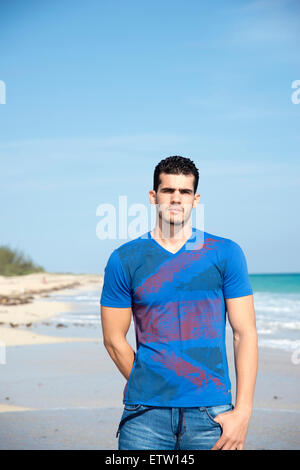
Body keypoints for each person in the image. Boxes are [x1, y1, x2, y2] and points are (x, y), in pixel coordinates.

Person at [100, 155, 258, 450]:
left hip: (212, 415)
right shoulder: (124, 258)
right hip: (144, 416)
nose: (176, 199)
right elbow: (112, 339)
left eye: (184, 192)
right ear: (153, 196)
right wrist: (150, 382)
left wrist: (244, 412)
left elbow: (244, 333)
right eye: (168, 190)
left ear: (195, 199)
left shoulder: (226, 253)